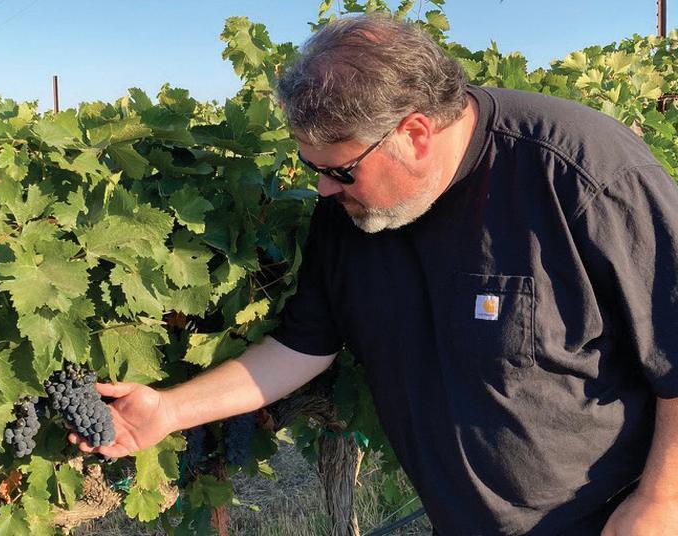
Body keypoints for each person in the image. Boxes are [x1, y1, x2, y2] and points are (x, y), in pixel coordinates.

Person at [69, 14, 678, 536]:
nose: (321, 188)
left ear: (414, 134)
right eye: (311, 166)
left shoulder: (582, 175)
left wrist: (660, 503)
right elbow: (302, 346)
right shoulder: (348, 211)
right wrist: (168, 411)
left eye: (339, 171)